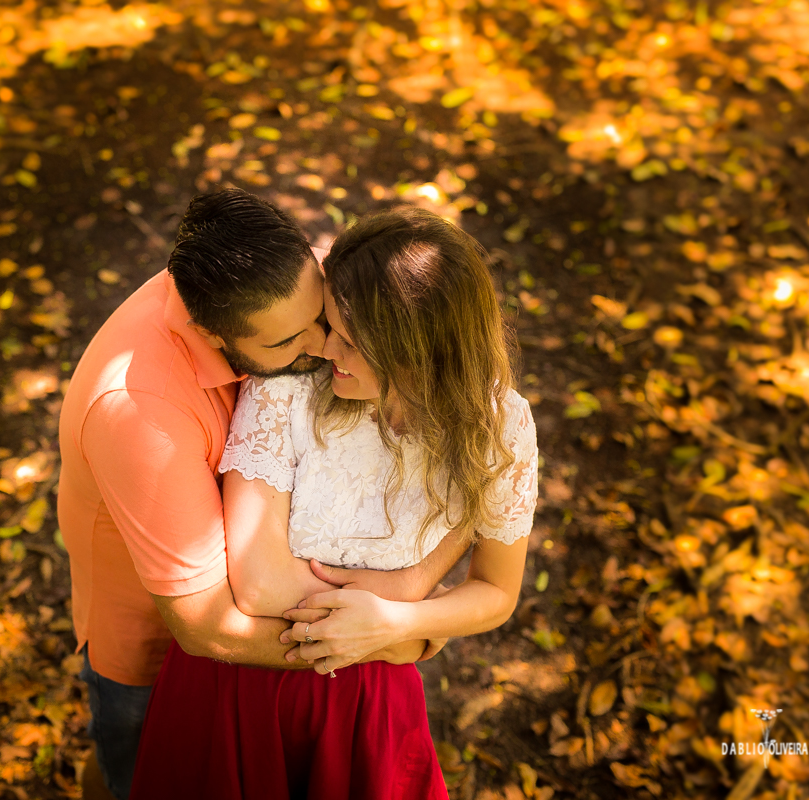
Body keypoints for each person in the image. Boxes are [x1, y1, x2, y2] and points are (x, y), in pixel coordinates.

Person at [56, 191, 469, 800]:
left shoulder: (304, 285)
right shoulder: (139, 412)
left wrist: (407, 596)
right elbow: (205, 626)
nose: (324, 348)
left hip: (286, 603)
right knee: (133, 770)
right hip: (158, 640)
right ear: (212, 334)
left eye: (322, 321)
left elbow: (475, 424)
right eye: (285, 345)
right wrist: (387, 640)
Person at [128, 206, 539, 799]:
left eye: (350, 341)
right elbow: (261, 585)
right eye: (330, 324)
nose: (323, 350)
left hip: (369, 697)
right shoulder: (290, 387)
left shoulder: (500, 429)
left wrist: (401, 623)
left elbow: (498, 592)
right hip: (239, 683)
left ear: (416, 352)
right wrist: (405, 625)